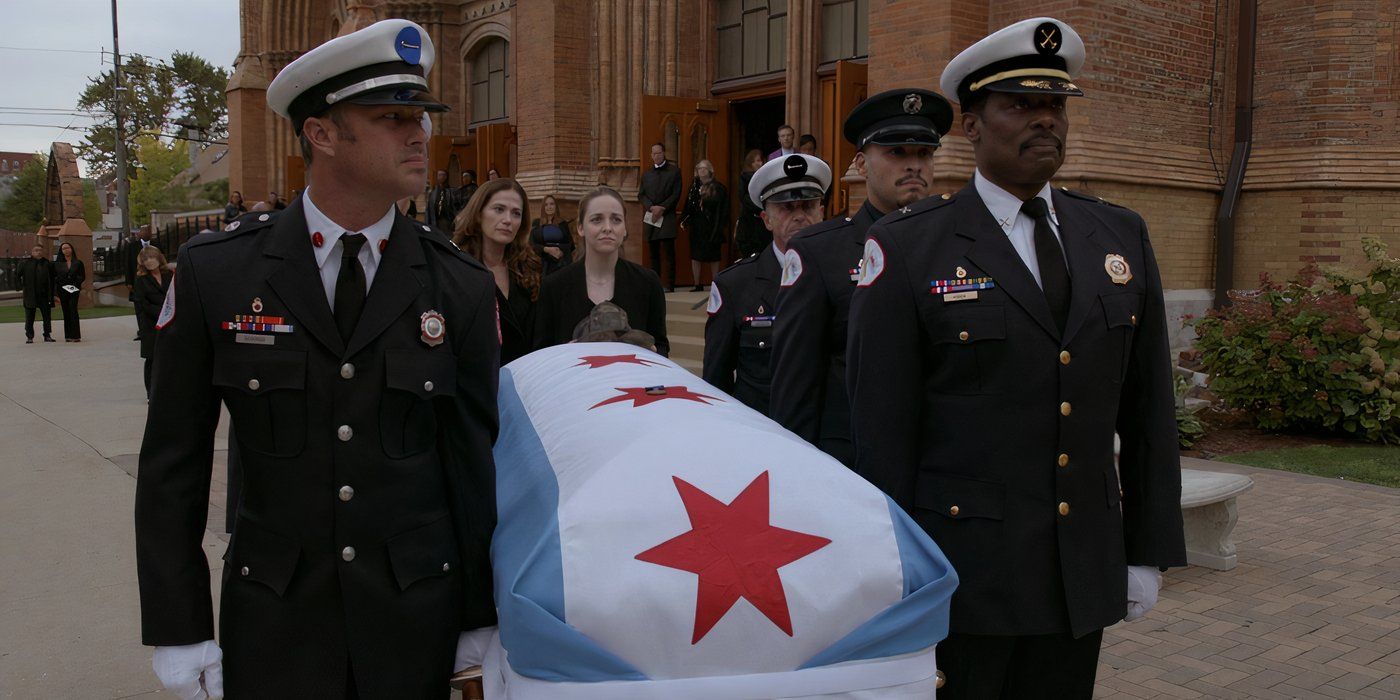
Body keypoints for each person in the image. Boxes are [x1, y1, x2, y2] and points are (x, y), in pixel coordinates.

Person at [134, 19, 501, 698]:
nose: (419, 133)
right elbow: (171, 464)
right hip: (276, 621)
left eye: (419, 114)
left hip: (414, 621)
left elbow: (472, 467)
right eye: (393, 117)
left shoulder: (460, 286)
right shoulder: (221, 272)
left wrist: (480, 618)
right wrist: (179, 625)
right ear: (322, 133)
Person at [846, 18, 1186, 698]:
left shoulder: (1116, 234)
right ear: (970, 126)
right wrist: (894, 573)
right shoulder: (913, 247)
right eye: (1020, 105)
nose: (1045, 121)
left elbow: (1149, 410)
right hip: (968, 578)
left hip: (1078, 574)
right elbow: (882, 432)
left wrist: (1147, 550)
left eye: (1054, 106)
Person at [769, 87, 952, 467]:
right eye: (896, 152)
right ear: (862, 165)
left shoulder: (958, 246)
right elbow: (796, 391)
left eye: (923, 153)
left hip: (945, 469)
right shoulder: (820, 252)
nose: (913, 165)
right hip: (853, 465)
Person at [704, 154, 829, 415]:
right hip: (765, 433)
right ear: (766, 219)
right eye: (787, 208)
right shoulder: (735, 285)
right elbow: (717, 381)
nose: (799, 216)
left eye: (807, 206)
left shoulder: (846, 277)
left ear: (821, 212)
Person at [533, 186, 670, 356]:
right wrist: (564, 355)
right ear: (580, 228)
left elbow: (661, 346)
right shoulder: (554, 286)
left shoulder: (647, 282)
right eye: (597, 219)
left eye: (616, 220)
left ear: (625, 228)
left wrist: (651, 353)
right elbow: (540, 354)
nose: (607, 228)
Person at [454, 177, 540, 364]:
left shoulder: (529, 267)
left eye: (516, 213)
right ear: (479, 213)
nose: (508, 220)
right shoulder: (457, 267)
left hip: (522, 378)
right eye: (499, 209)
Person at [681, 159, 728, 291]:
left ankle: (715, 283)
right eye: (699, 169)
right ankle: (696, 284)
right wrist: (685, 220)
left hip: (712, 225)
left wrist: (720, 226)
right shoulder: (693, 188)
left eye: (704, 168)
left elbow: (722, 209)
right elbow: (688, 206)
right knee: (695, 255)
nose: (701, 171)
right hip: (697, 226)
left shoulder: (718, 187)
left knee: (714, 255)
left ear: (710, 171)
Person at [639, 143, 681, 292]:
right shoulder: (647, 174)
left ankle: (670, 285)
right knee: (653, 252)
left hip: (666, 214)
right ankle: (655, 284)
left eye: (658, 153)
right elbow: (641, 194)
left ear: (664, 153)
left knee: (669, 252)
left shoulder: (674, 172)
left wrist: (662, 207)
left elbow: (676, 194)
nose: (656, 156)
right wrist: (651, 207)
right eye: (654, 153)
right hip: (651, 215)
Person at [132, 246, 170, 396]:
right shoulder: (141, 280)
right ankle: (151, 393)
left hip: (170, 324)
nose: (149, 261)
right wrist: (161, 313)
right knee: (152, 360)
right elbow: (142, 304)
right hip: (151, 324)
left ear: (159, 258)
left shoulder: (169, 275)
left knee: (169, 359)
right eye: (146, 259)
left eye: (152, 257)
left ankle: (167, 390)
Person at [529, 194, 575, 277]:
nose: (549, 207)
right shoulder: (536, 223)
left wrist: (560, 251)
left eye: (552, 204)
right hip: (545, 262)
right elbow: (531, 244)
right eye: (546, 205)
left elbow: (571, 245)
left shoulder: (563, 224)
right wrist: (547, 249)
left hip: (561, 262)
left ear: (555, 206)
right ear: (543, 207)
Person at [734, 149, 769, 257]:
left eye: (761, 160)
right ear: (751, 163)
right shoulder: (744, 177)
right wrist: (759, 206)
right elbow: (743, 196)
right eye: (757, 161)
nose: (760, 163)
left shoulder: (765, 177)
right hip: (749, 220)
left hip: (762, 222)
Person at [17, 244, 55, 344]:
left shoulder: (47, 264)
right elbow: (17, 275)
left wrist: (53, 293)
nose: (38, 252)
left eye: (40, 250)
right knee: (29, 317)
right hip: (30, 295)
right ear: (32, 252)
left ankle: (47, 335)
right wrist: (20, 287)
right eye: (36, 250)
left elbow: (53, 278)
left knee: (47, 317)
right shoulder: (25, 263)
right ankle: (29, 336)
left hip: (44, 295)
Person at [54, 241, 85, 342]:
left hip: (74, 289)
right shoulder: (57, 264)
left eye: (68, 248)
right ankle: (68, 335)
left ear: (71, 249)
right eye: (64, 248)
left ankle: (76, 335)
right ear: (61, 251)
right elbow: (55, 278)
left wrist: (75, 284)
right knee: (66, 311)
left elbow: (82, 276)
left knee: (73, 310)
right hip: (62, 290)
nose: (66, 250)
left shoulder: (78, 263)